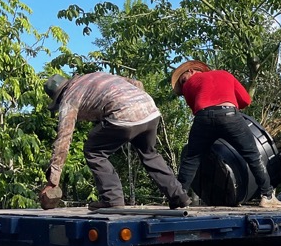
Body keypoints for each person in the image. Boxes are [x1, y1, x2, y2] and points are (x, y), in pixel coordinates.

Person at [39, 71, 190, 211]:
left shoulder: (69, 98)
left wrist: (53, 180)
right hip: (150, 111)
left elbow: (63, 139)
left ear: (59, 96)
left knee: (93, 151)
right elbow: (137, 84)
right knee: (149, 154)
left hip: (123, 115)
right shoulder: (94, 77)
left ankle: (112, 199)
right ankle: (178, 196)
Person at [170, 60, 281, 209]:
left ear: (191, 71)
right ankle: (267, 196)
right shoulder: (224, 74)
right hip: (229, 115)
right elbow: (246, 100)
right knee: (253, 155)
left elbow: (196, 108)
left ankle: (179, 198)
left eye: (183, 79)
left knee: (191, 159)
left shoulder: (189, 86)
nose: (184, 84)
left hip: (203, 118)